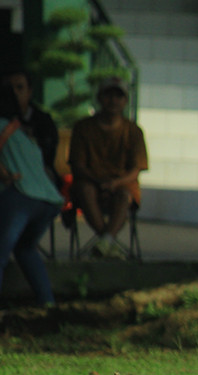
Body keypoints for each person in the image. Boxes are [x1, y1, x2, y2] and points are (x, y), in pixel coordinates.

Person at [68, 76, 148, 259]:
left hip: (122, 184)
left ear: (125, 101)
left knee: (124, 195)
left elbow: (136, 169)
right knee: (84, 190)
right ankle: (108, 243)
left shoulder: (133, 131)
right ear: (99, 98)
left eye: (118, 96)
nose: (113, 101)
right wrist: (98, 182)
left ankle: (105, 242)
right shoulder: (83, 127)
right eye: (108, 95)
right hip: (90, 182)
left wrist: (115, 183)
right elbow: (77, 165)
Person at [0, 83, 62, 306]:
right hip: (48, 201)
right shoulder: (20, 132)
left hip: (21, 196)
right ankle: (48, 305)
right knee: (25, 248)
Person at [1, 67, 58, 188]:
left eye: (20, 87)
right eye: (9, 88)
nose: (14, 92)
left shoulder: (43, 120)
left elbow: (48, 154)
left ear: (29, 91)